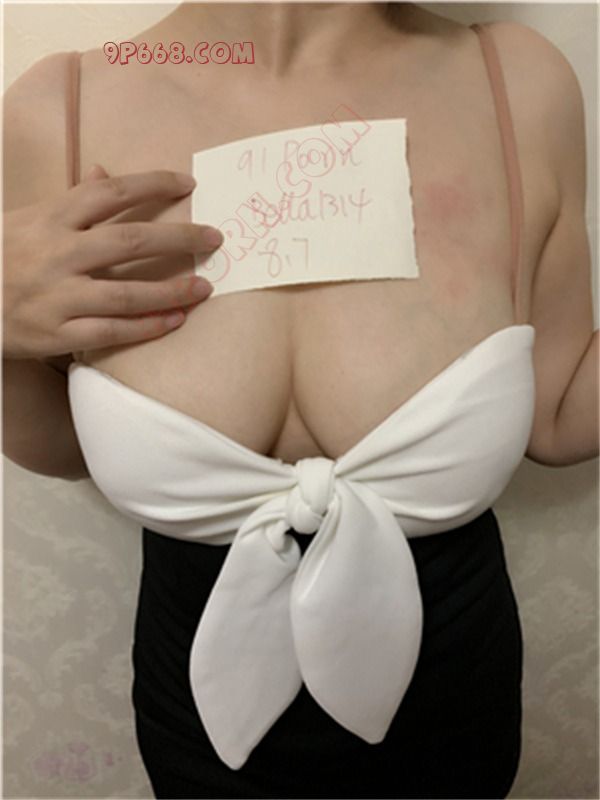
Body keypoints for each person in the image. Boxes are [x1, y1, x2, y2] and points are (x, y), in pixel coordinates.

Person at [3, 2, 598, 798]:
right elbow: (61, 444)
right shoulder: (55, 112)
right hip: (199, 710)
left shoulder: (519, 83)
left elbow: (557, 412)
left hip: (457, 696)